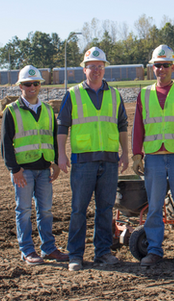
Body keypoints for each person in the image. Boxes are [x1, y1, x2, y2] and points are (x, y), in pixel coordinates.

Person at [56, 47, 130, 271]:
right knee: (78, 209)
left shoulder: (115, 95)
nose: (96, 70)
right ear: (84, 69)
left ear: (104, 68)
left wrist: (125, 152)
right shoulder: (73, 94)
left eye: (100, 66)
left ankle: (103, 252)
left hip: (109, 161)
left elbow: (122, 126)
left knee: (105, 209)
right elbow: (62, 126)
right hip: (83, 161)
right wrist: (61, 153)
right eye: (92, 66)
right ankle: (76, 255)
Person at [130, 45, 174, 269]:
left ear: (173, 67)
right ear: (152, 68)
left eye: (166, 65)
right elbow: (138, 127)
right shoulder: (145, 94)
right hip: (154, 159)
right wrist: (137, 155)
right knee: (155, 205)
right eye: (157, 65)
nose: (161, 69)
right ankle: (154, 250)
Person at [2, 65, 67, 265]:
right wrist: (14, 170)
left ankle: (48, 248)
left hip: (44, 169)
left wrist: (56, 162)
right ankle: (27, 250)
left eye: (36, 83)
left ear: (40, 85)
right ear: (20, 86)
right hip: (24, 170)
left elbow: (53, 138)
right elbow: (6, 142)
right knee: (23, 210)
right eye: (27, 84)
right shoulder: (11, 110)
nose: (32, 87)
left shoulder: (48, 109)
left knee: (46, 210)